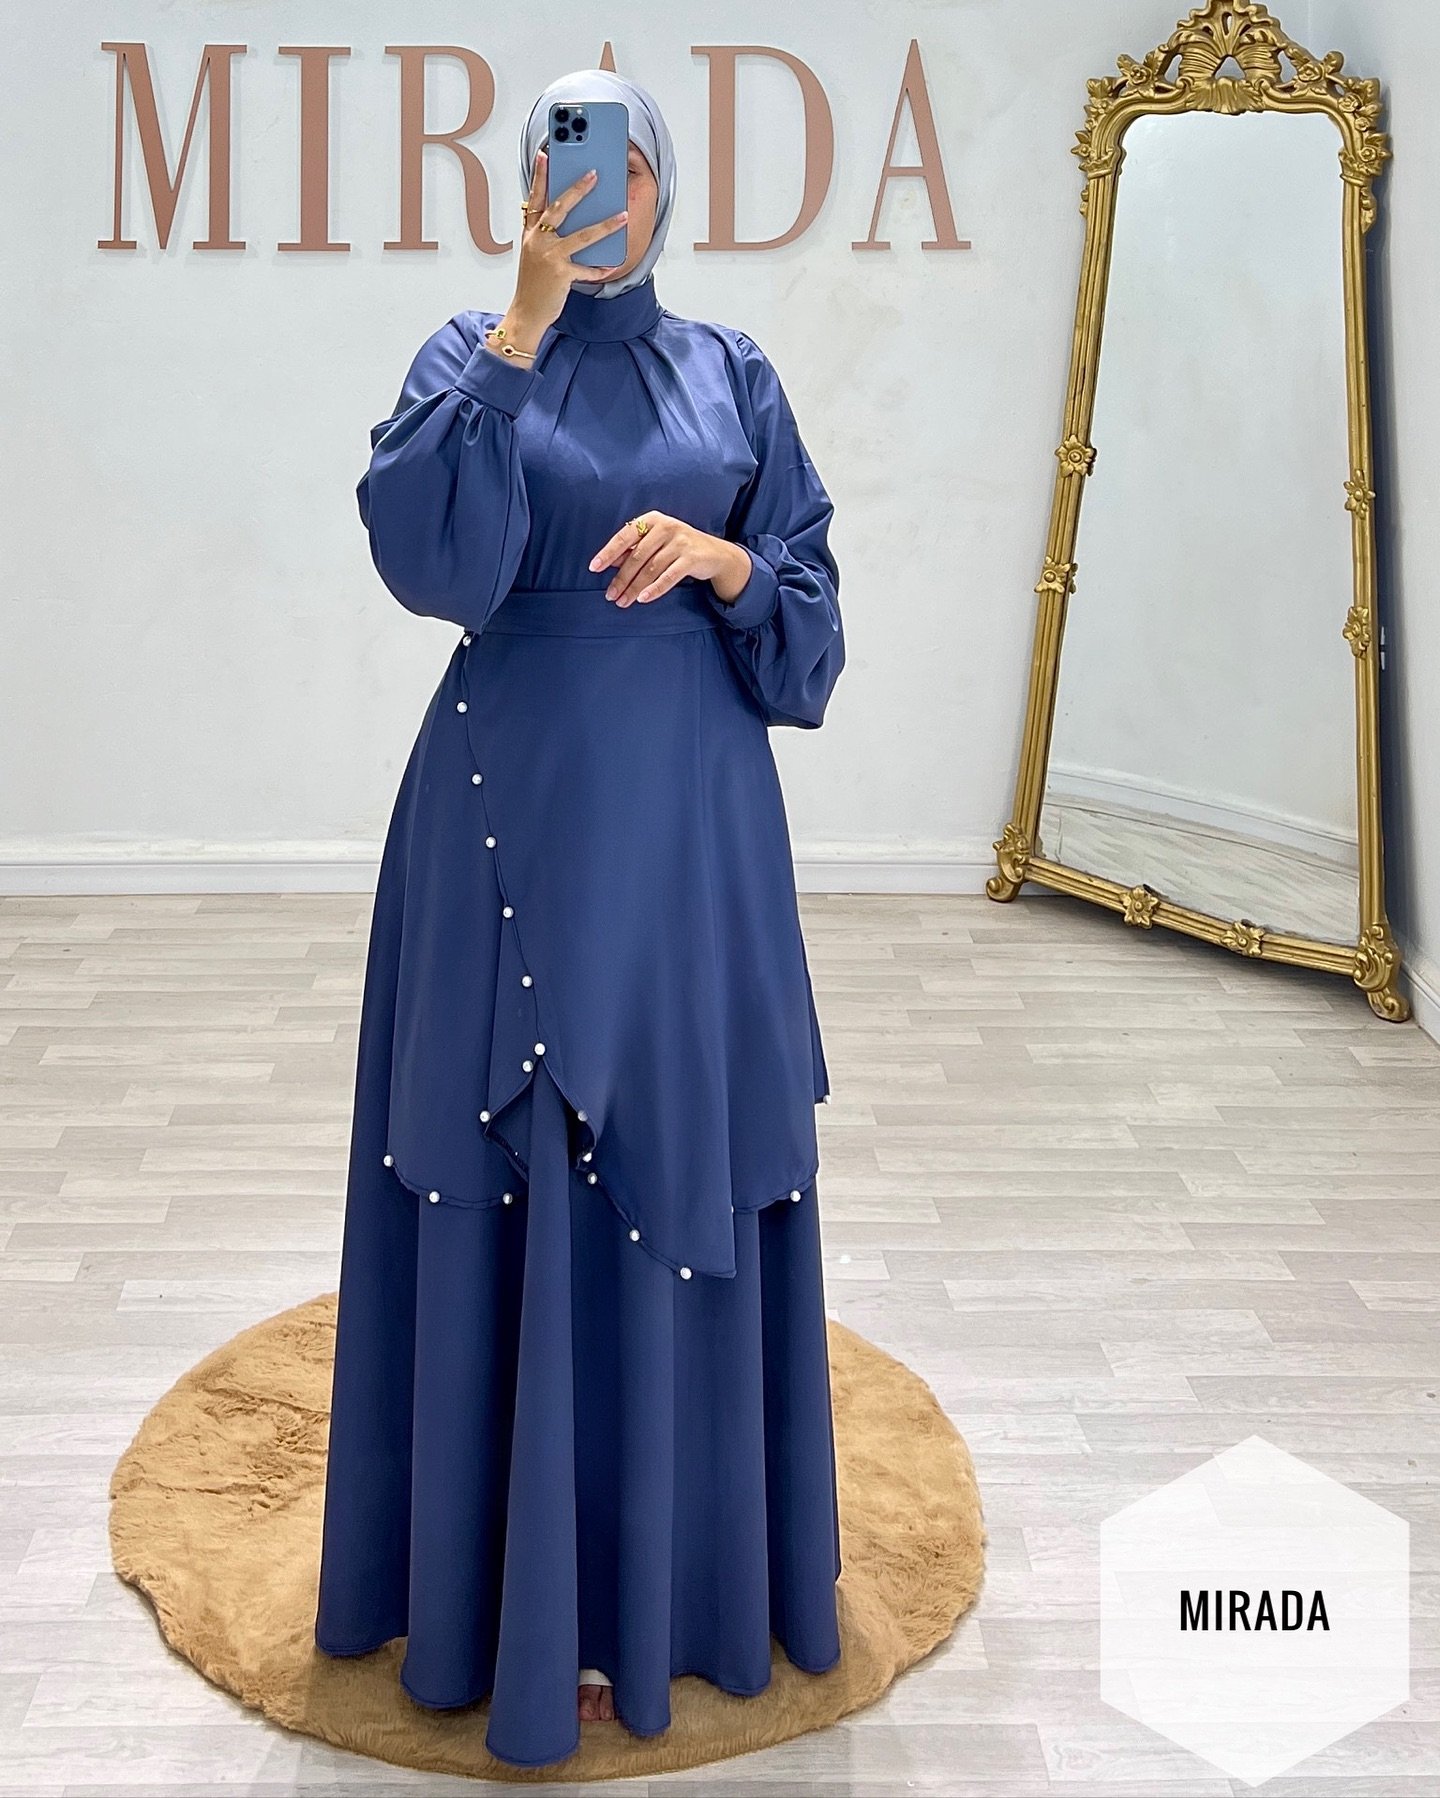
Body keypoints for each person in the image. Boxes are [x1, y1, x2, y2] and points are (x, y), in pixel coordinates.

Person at [313, 66, 847, 1769]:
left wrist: (724, 563)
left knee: (677, 1152)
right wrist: (522, 328)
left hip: (692, 835)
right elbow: (429, 565)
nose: (597, 191)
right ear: (534, 184)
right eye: (566, 161)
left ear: (664, 184)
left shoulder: (732, 370)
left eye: (625, 163)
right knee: (507, 1158)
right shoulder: (467, 354)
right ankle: (500, 1605)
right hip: (501, 823)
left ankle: (670, 1587)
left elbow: (813, 626)